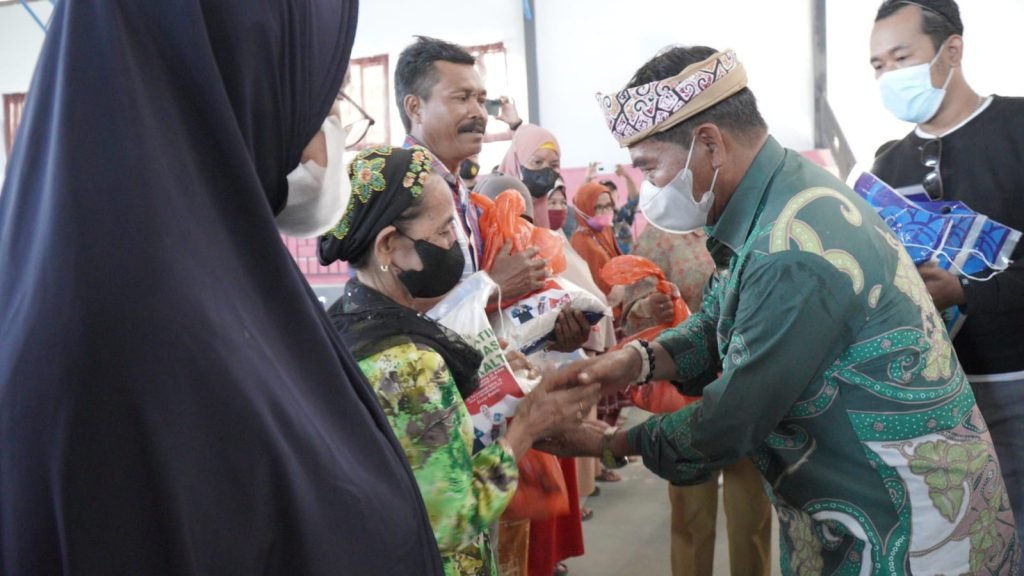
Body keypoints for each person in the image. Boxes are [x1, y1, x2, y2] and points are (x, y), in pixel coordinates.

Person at [0, 1, 451, 574]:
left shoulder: (191, 275)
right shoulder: (146, 333)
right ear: (241, 85)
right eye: (327, 103)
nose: (332, 137)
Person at [546, 45, 1020, 574]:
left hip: (908, 529)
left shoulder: (792, 245)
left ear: (709, 143)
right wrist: (635, 362)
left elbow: (730, 420)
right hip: (857, 507)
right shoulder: (778, 196)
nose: (649, 188)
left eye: (651, 167)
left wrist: (607, 443)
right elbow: (721, 318)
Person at [318, 146, 600, 576]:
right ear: (389, 245)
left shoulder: (339, 324)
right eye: (445, 229)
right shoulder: (410, 364)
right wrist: (525, 428)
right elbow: (453, 520)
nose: (456, 242)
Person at [869, 0, 1024, 545]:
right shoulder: (887, 168)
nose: (889, 75)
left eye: (901, 57)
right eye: (878, 65)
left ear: (951, 50)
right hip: (936, 397)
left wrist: (964, 290)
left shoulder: (1017, 129)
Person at [623, 225, 773, 576]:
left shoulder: (750, 227)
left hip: (746, 388)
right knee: (690, 517)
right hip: (687, 393)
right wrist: (647, 307)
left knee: (751, 517)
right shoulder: (660, 235)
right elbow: (630, 316)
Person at [395, 36, 542, 301]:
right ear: (415, 108)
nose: (479, 113)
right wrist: (493, 288)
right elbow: (390, 308)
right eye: (462, 98)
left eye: (481, 101)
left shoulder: (458, 189)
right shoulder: (397, 186)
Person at [569, 181, 623, 298]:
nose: (605, 212)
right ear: (584, 208)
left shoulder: (604, 230)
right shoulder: (582, 243)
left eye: (608, 206)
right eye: (598, 207)